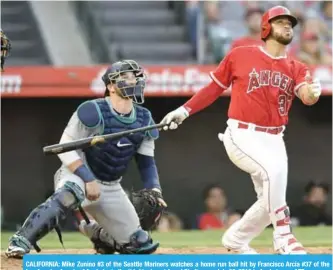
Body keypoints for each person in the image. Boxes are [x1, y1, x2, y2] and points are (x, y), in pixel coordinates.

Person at [160, 6, 322, 254]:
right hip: (242, 134)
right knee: (273, 175)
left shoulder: (296, 67)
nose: (288, 26)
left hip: (274, 138)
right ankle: (283, 236)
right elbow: (213, 89)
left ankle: (235, 239)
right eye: (281, 22)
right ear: (266, 28)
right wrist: (184, 110)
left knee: (270, 201)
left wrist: (311, 93)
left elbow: (306, 95)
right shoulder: (241, 55)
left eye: (290, 23)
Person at [5, 60, 167, 258]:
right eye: (124, 77)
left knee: (140, 244)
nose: (132, 81)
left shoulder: (144, 118)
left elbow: (146, 162)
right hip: (79, 175)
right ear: (110, 86)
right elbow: (64, 147)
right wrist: (87, 178)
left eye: (135, 77)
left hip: (111, 185)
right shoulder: (93, 110)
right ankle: (20, 241)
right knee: (68, 195)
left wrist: (155, 189)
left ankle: (99, 235)